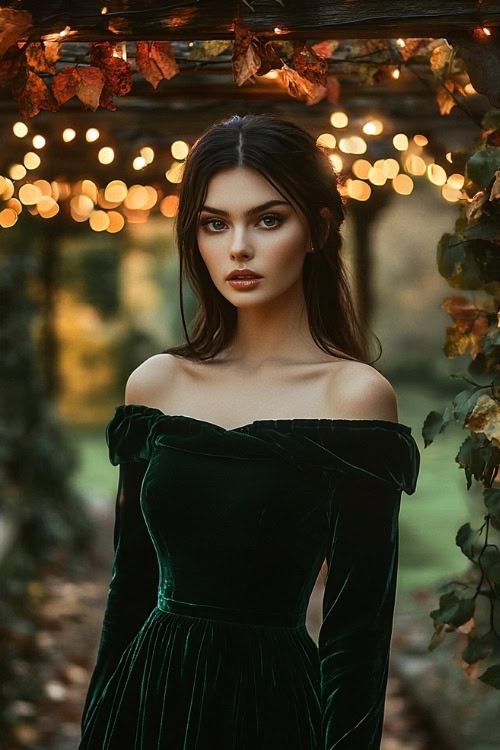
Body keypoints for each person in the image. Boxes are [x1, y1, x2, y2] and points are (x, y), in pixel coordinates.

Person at [78, 112, 420, 749]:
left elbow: (357, 636)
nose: (238, 247)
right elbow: (130, 589)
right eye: (215, 223)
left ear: (316, 229)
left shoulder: (353, 398)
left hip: (269, 710)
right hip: (147, 703)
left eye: (268, 219)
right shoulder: (155, 385)